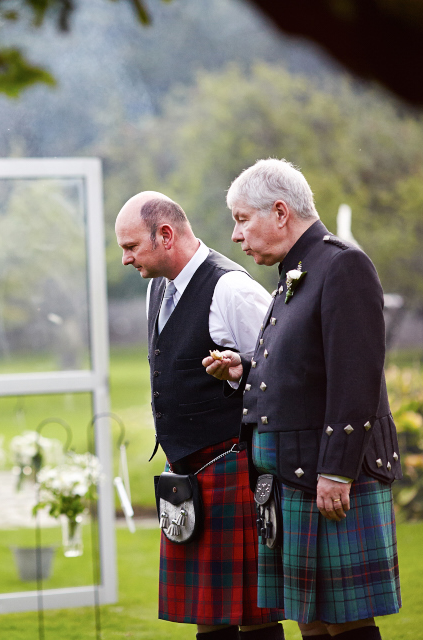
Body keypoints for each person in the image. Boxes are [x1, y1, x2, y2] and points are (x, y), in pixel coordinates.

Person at [204, 159, 402, 640]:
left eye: (242, 218)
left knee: (345, 622)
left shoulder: (341, 265)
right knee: (309, 618)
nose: (235, 235)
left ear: (279, 211)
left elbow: (356, 378)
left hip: (323, 473)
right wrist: (246, 370)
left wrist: (337, 471)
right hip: (292, 476)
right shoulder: (297, 271)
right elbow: (305, 371)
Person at [115, 192, 285, 640]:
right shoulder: (159, 287)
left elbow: (281, 376)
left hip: (234, 471)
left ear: (165, 235)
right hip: (188, 474)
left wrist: (238, 374)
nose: (127, 259)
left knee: (254, 612)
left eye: (131, 247)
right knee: (208, 616)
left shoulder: (232, 289)